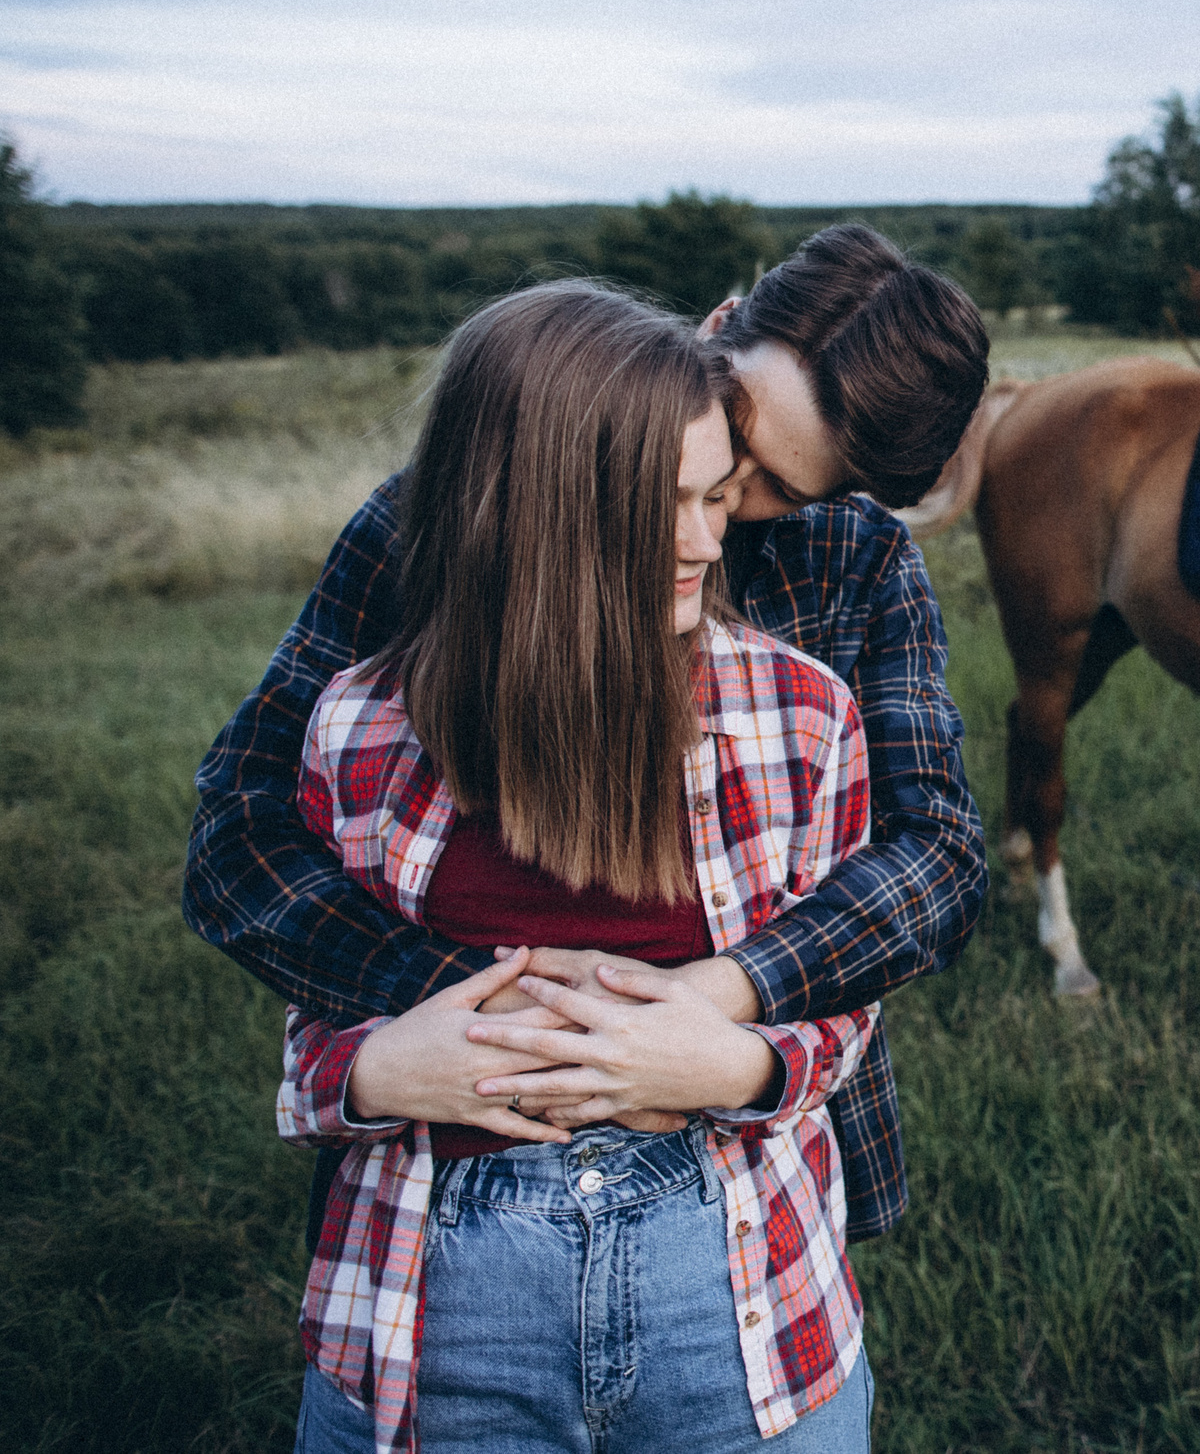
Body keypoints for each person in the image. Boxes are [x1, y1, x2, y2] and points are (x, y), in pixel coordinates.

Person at [184, 223, 991, 1254]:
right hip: (449, 1168)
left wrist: (710, 1003)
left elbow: (940, 857)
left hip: (753, 1146)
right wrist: (469, 1011)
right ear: (711, 334)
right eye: (734, 437)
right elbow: (238, 833)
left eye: (782, 490)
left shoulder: (860, 562)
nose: (727, 510)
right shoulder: (441, 516)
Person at [285, 283, 883, 1450]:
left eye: (720, 499)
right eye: (668, 505)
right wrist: (371, 1077)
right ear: (536, 504)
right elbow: (312, 1027)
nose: (710, 541)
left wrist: (742, 1061)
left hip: (732, 1278)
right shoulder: (356, 732)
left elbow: (847, 1006)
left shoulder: (801, 716)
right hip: (439, 1294)